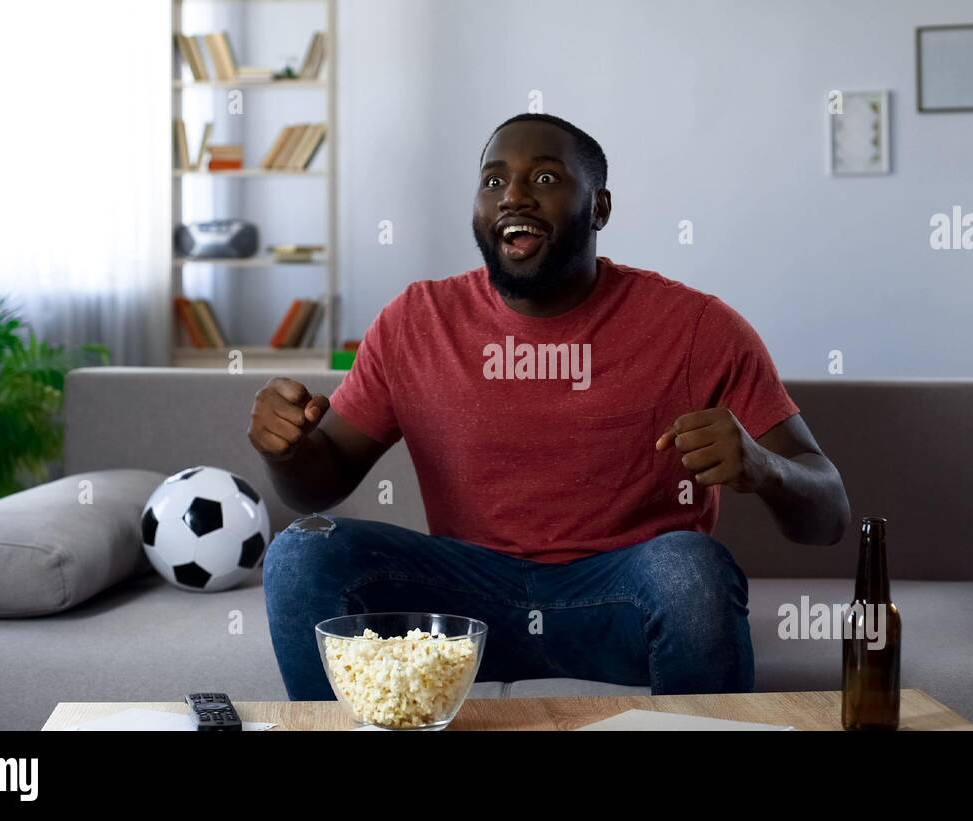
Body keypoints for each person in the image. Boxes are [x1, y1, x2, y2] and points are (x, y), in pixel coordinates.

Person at [250, 113, 850, 699]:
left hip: (621, 601)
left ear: (601, 208)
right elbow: (317, 488)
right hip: (461, 612)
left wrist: (761, 465)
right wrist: (288, 451)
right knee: (302, 550)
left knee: (692, 567)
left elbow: (829, 515)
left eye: (544, 178)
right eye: (493, 181)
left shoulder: (698, 328)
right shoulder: (416, 320)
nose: (513, 196)